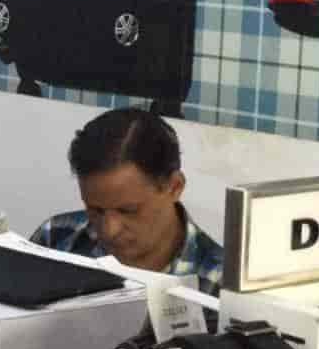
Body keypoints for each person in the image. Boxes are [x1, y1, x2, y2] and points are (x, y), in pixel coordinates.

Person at [32, 107, 224, 295]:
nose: (110, 230)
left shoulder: (219, 281)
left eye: (128, 210)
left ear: (174, 187)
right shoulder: (54, 240)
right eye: (95, 210)